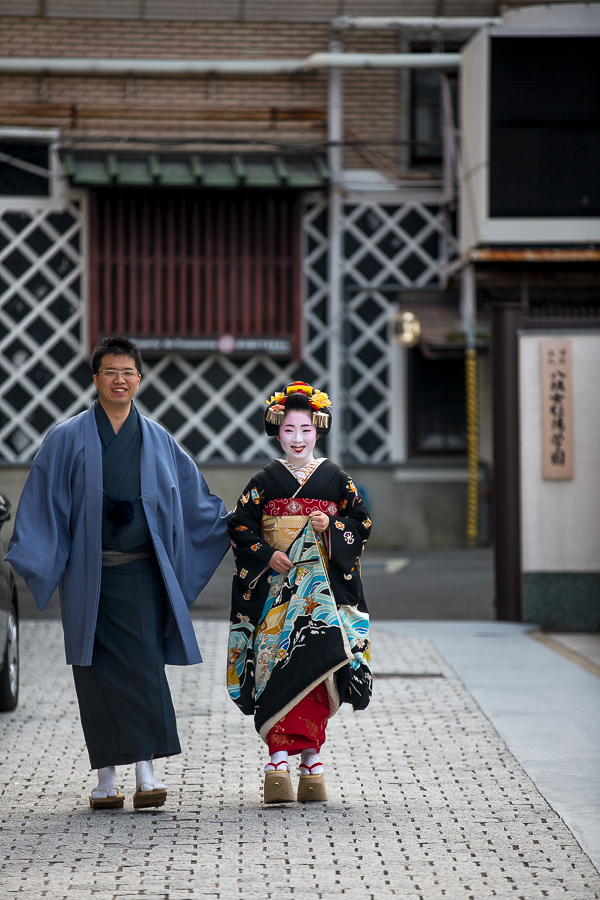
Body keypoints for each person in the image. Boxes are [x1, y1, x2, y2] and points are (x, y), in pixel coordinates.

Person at [6, 337, 230, 810]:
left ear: (140, 380)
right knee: (95, 673)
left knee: (146, 670)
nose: (120, 380)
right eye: (111, 371)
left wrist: (238, 525)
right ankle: (106, 779)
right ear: (96, 378)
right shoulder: (66, 437)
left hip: (141, 575)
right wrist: (33, 551)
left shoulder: (157, 438)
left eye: (128, 372)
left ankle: (147, 775)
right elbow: (43, 501)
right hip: (90, 576)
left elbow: (193, 499)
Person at [227, 381, 372, 804]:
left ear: (318, 431)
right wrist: (267, 554)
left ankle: (311, 757)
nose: (297, 439)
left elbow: (361, 523)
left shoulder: (336, 480)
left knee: (319, 665)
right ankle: (277, 759)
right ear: (277, 431)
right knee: (276, 666)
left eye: (305, 430)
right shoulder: (263, 481)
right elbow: (239, 526)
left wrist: (333, 530)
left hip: (321, 593)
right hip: (276, 591)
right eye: (289, 430)